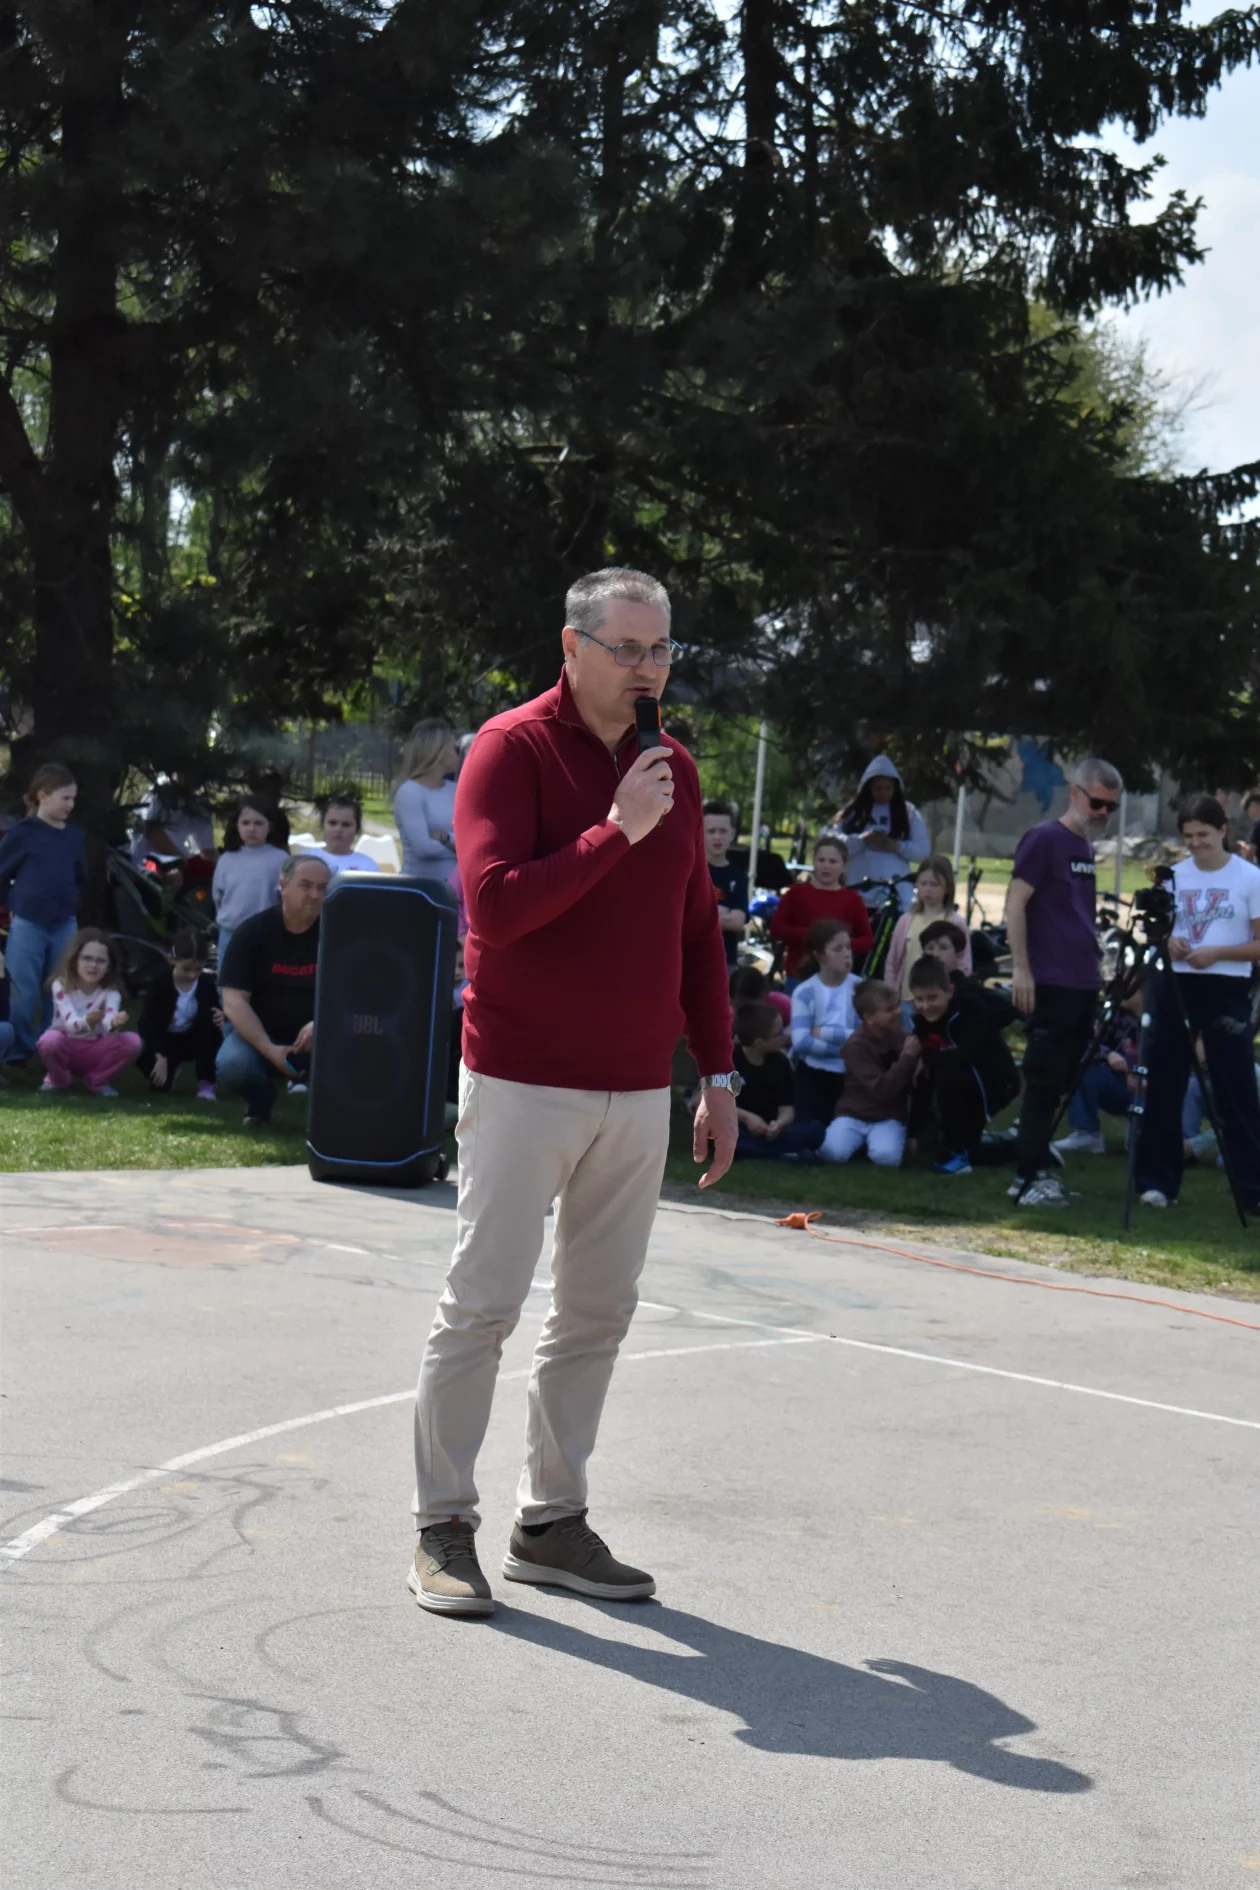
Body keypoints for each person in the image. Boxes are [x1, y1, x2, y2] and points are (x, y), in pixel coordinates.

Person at [409, 566, 735, 1618]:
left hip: (636, 1088)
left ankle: (550, 1523)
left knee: (596, 1312)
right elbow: (497, 909)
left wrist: (717, 1073)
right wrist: (614, 828)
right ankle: (441, 1527)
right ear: (572, 647)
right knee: (483, 1306)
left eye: (661, 650)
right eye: (626, 648)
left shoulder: (671, 768)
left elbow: (696, 932)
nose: (648, 669)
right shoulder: (510, 750)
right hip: (521, 1078)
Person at [1005, 757, 1123, 1207]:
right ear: (1075, 793)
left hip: (1082, 981)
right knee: (1043, 1079)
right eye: (1097, 803)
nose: (1103, 813)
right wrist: (1021, 969)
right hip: (1050, 981)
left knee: (1063, 1079)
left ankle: (1035, 1156)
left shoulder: (1085, 847)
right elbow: (1016, 903)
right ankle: (1026, 1178)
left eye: (1111, 807)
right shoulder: (1044, 839)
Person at [1133, 795, 1260, 1211]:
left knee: (1235, 1086)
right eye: (1188, 836)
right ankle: (1157, 1181)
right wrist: (1168, 940)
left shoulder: (1249, 877)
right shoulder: (1173, 876)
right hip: (1175, 983)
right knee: (1163, 1079)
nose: (1195, 843)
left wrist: (1218, 953)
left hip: (1226, 985)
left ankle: (1251, 1188)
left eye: (1203, 834)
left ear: (1223, 830)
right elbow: (1155, 928)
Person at [216, 852, 330, 1125]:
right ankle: (260, 1103)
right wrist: (268, 1049)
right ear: (283, 886)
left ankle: (334, 1120)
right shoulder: (252, 932)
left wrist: (324, 1023)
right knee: (233, 1066)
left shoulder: (339, 934)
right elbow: (233, 1001)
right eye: (305, 886)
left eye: (322, 888)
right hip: (260, 1036)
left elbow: (355, 994)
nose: (314, 895)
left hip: (323, 1036)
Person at [0, 763, 85, 1063]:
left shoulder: (75, 836)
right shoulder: (22, 834)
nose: (70, 805)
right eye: (65, 798)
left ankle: (53, 1047)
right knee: (22, 992)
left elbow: (79, 876)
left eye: (73, 799)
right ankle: (19, 1049)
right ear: (43, 796)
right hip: (28, 923)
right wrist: (12, 906)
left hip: (65, 923)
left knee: (62, 989)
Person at [908, 957, 1020, 1174]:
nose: (925, 1006)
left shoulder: (970, 1009)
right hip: (961, 1084)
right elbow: (923, 1079)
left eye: (932, 997)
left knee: (947, 1074)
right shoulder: (921, 1024)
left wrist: (927, 1059)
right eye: (919, 999)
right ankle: (1028, 1148)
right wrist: (913, 1133)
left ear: (949, 991)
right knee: (967, 1149)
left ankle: (958, 1151)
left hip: (994, 1081)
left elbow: (966, 1055)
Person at [820, 979, 920, 1166]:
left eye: (897, 1005)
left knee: (886, 1158)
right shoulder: (856, 1045)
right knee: (833, 1153)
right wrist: (907, 1059)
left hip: (889, 1116)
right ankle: (860, 1143)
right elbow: (880, 1089)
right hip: (854, 1115)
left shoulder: (903, 1037)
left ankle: (873, 1144)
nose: (898, 1012)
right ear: (869, 1017)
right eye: (890, 1009)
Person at [36, 928, 142, 1096]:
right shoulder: (61, 985)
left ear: (108, 967)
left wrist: (114, 1024)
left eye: (101, 961)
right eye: (87, 958)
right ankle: (59, 1079)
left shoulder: (111, 992)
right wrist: (86, 1021)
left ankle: (96, 1081)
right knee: (49, 1041)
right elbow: (70, 1023)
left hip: (95, 1049)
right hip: (65, 1045)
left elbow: (108, 1025)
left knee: (133, 1041)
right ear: (75, 960)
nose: (93, 965)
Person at [1051, 982, 1143, 1158]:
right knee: (1081, 1067)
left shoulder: (1164, 1020)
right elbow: (1088, 1042)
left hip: (1153, 1092)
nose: (1120, 992)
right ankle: (1089, 1134)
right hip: (1122, 1085)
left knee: (1140, 1147)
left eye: (1129, 987)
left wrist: (1143, 1078)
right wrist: (1108, 1054)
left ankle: (1143, 1129)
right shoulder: (1116, 1014)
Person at [834, 756, 930, 913]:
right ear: (868, 787)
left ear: (895, 788)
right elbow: (834, 845)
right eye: (878, 788)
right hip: (857, 894)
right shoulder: (853, 813)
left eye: (887, 788)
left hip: (896, 897)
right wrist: (863, 840)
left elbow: (923, 851)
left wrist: (897, 846)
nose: (883, 793)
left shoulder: (908, 813)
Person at [770, 836, 873, 982]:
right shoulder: (796, 892)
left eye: (832, 861)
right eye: (821, 860)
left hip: (836, 976)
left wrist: (839, 943)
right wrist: (811, 936)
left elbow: (867, 941)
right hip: (799, 973)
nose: (826, 866)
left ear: (843, 866)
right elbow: (776, 929)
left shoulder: (853, 900)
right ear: (813, 862)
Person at [732, 1000, 825, 1160]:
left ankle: (766, 1152)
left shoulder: (780, 1063)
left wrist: (778, 1125)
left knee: (815, 1129)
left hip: (769, 1129)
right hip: (737, 1126)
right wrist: (747, 1118)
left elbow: (787, 1109)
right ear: (759, 1043)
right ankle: (785, 1155)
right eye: (779, 1033)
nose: (785, 1035)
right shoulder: (730, 1061)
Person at [885, 855, 973, 1020]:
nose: (928, 889)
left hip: (941, 1003)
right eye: (923, 883)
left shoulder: (955, 922)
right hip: (907, 999)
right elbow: (893, 961)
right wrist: (891, 993)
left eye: (934, 884)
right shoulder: (906, 920)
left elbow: (964, 964)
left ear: (947, 887)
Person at [789, 920, 860, 1124]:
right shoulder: (804, 992)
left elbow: (865, 1034)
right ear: (819, 955)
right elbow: (801, 1041)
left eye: (848, 947)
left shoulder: (860, 988)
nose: (846, 954)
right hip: (814, 1074)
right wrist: (842, 1049)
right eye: (838, 949)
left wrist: (823, 1032)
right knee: (811, 1130)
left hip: (851, 1074)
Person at [137, 930, 222, 1099]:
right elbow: (146, 1023)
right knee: (160, 1084)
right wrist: (159, 1054)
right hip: (166, 1040)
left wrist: (220, 1015)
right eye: (186, 969)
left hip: (195, 1038)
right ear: (173, 960)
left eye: (198, 969)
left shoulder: (206, 984)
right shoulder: (160, 983)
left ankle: (206, 1080)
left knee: (210, 1025)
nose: (192, 974)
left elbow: (214, 1010)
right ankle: (169, 1067)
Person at [212, 797, 288, 968]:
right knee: (228, 976)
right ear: (237, 825)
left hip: (265, 933)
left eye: (258, 823)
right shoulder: (226, 859)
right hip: (231, 931)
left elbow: (284, 898)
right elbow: (218, 895)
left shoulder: (280, 859)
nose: (252, 828)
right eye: (245, 823)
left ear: (270, 826)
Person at [394, 720, 460, 877]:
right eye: (454, 749)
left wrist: (446, 838)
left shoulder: (456, 790)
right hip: (420, 886)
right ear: (439, 751)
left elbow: (471, 838)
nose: (458, 755)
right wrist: (462, 851)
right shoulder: (410, 792)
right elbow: (423, 848)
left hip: (453, 887)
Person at [703, 801, 748, 967]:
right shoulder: (690, 872)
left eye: (723, 831)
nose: (717, 837)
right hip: (690, 959)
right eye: (711, 831)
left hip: (725, 962)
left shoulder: (738, 876)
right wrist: (723, 912)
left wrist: (705, 915)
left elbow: (738, 922)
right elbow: (685, 918)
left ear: (732, 834)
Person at [303, 793, 378, 875]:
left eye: (346, 824)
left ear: (356, 829)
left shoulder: (367, 866)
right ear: (323, 825)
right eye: (332, 823)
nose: (338, 829)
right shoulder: (305, 860)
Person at [729, 964, 791, 1030]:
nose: (745, 1012)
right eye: (736, 1005)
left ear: (763, 994)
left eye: (747, 1005)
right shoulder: (729, 1017)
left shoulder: (781, 1003)